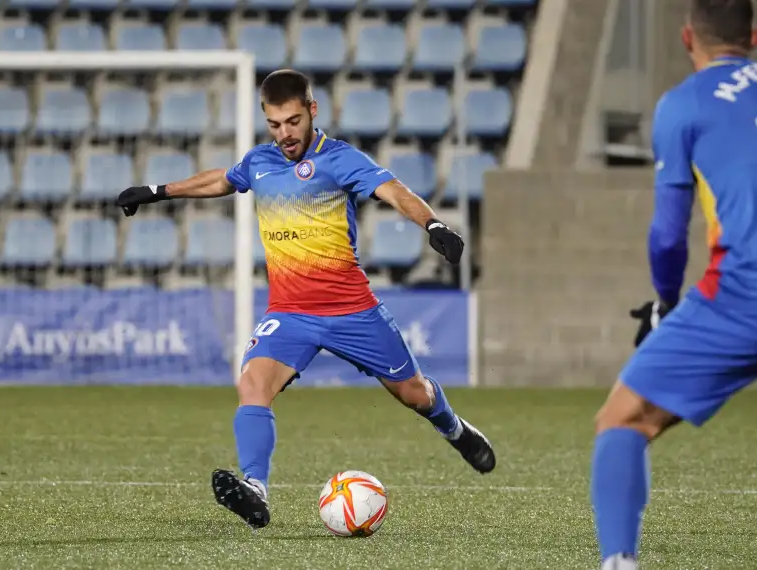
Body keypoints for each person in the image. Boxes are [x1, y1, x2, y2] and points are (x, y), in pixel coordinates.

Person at [116, 69, 496, 528]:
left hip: (353, 310)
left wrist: (432, 224)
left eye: (293, 122)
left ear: (312, 111)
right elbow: (222, 180)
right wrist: (158, 191)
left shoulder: (339, 159)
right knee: (252, 385)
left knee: (414, 394)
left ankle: (454, 429)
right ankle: (255, 490)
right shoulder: (260, 161)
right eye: (275, 125)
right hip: (290, 313)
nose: (285, 134)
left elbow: (393, 189)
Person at [590, 1, 757, 568]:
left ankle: (619, 562)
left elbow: (668, 236)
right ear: (754, 35)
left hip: (742, 293)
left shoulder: (683, 106)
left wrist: (666, 301)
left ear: (688, 38)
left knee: (623, 419)